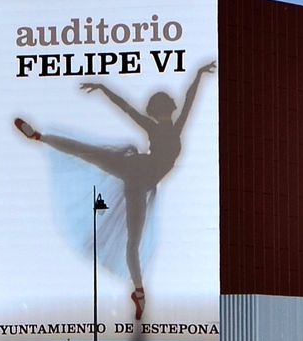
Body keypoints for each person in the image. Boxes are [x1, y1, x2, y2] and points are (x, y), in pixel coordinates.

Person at [13, 60, 215, 320]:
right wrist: (104, 88)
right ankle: (39, 137)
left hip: (139, 183)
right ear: (159, 112)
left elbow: (188, 98)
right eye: (161, 111)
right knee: (87, 151)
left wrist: (198, 74)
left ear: (168, 110)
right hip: (135, 170)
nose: (165, 114)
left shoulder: (173, 127)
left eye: (166, 110)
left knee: (133, 244)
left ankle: (139, 293)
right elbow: (128, 109)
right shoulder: (159, 128)